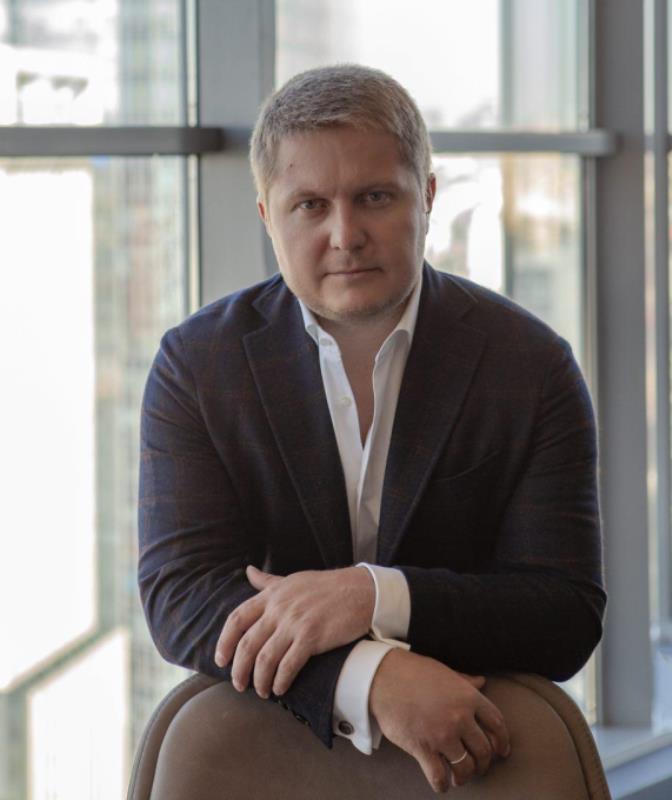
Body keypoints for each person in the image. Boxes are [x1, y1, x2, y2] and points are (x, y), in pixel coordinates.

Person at [138, 64, 605, 794]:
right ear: (267, 215)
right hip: (268, 754)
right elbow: (183, 596)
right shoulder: (197, 365)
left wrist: (374, 596)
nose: (345, 235)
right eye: (310, 205)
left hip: (482, 762)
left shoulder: (531, 365)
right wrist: (369, 675)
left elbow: (563, 613)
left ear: (428, 196)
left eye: (375, 197)